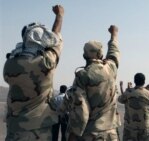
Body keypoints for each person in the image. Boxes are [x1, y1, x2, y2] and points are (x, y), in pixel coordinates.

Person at [3, 5, 64, 141]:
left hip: (14, 130)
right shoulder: (45, 64)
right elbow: (56, 41)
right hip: (39, 131)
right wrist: (59, 16)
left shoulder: (9, 65)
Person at [67, 25, 121, 141]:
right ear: (101, 55)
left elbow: (81, 109)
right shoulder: (111, 68)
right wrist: (114, 34)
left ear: (84, 56)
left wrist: (73, 134)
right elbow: (114, 52)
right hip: (111, 133)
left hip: (91, 134)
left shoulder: (82, 75)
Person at [118, 73, 149, 141]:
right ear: (144, 82)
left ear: (134, 81)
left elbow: (120, 99)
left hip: (130, 127)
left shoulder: (128, 93)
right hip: (144, 128)